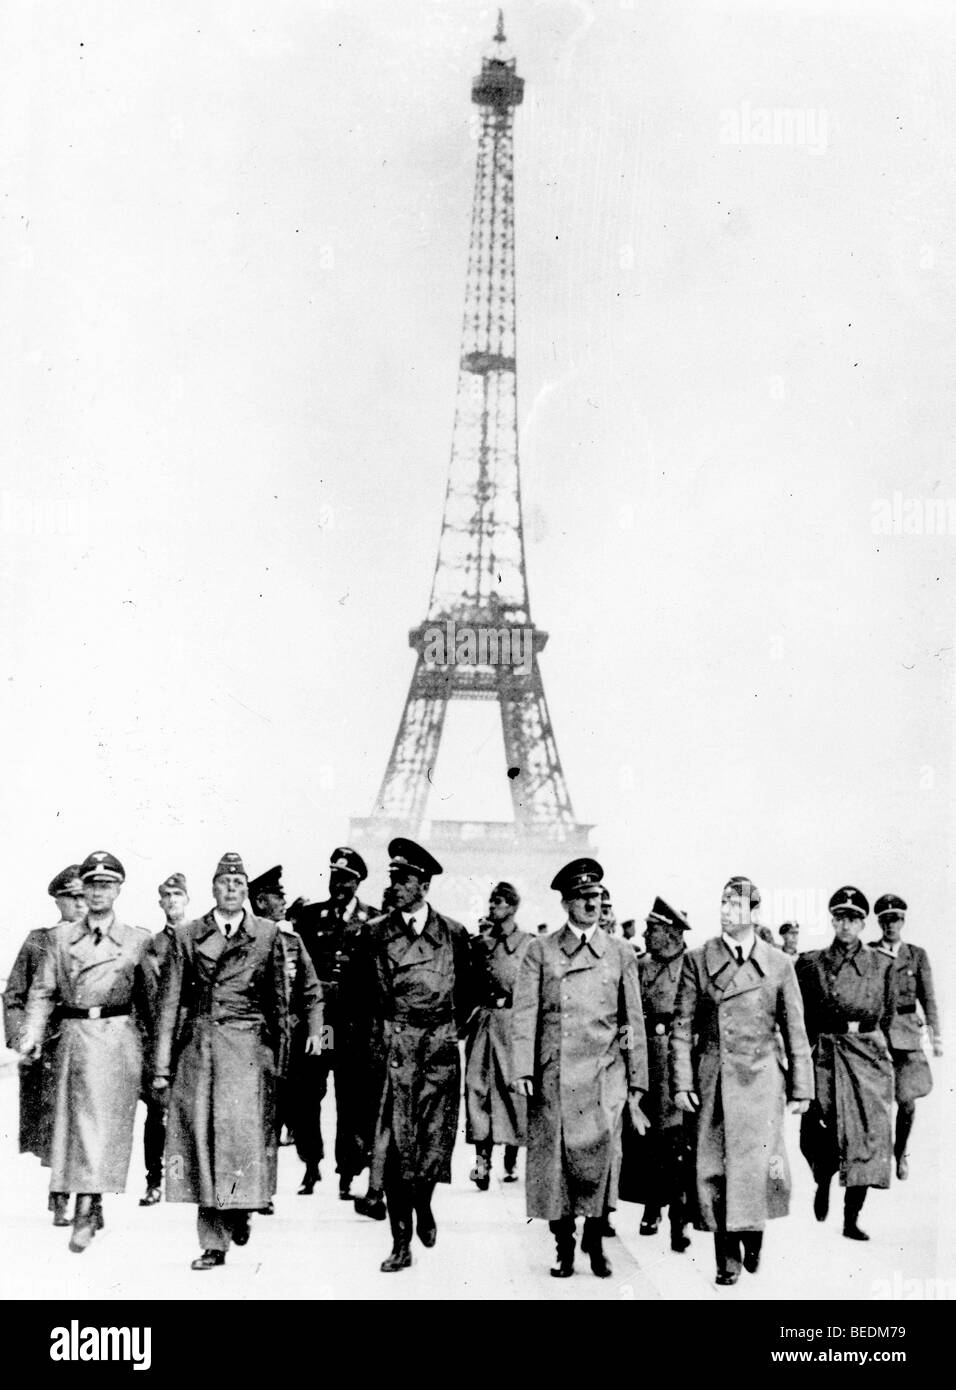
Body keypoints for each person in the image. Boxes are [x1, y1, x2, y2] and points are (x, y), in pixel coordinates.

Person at [151, 851, 323, 1271]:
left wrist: (279, 1058)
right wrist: (161, 1067)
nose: (232, 891)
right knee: (207, 1144)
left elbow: (280, 1002)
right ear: (213, 888)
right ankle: (213, 1241)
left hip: (248, 1053)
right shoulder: (189, 935)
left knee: (241, 1141)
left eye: (240, 885)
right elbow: (171, 1002)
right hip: (203, 1050)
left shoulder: (267, 935)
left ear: (246, 892)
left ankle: (241, 1208)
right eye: (225, 883)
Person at [671, 875, 813, 1286]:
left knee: (757, 1166)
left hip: (762, 1078)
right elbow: (682, 1029)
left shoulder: (779, 963)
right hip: (714, 1076)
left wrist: (802, 1088)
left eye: (736, 906)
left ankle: (752, 1234)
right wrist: (682, 1083)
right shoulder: (698, 961)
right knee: (713, 1166)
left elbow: (795, 1030)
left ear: (754, 913)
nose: (726, 913)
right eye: (723, 904)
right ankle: (725, 1254)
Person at [511, 858, 649, 1280]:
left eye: (597, 897)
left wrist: (637, 1079)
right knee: (556, 1164)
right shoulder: (541, 951)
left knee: (602, 1157)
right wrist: (523, 1069)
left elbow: (632, 1019)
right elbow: (525, 1014)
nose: (593, 903)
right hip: (555, 1073)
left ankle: (594, 1234)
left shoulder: (621, 951)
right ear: (566, 903)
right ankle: (563, 1243)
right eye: (584, 897)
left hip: (604, 1074)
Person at [18, 852, 151, 1253]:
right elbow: (41, 992)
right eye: (92, 885)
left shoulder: (138, 940)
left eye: (106, 885)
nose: (98, 892)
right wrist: (31, 1035)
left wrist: (156, 1056)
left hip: (118, 1040)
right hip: (74, 1038)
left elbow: (153, 1000)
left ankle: (88, 1204)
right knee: (75, 1129)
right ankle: (84, 1206)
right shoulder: (60, 940)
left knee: (106, 1130)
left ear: (118, 890)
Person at [352, 838, 474, 1272]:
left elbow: (472, 993)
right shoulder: (374, 933)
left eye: (403, 880)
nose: (396, 887)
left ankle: (424, 1204)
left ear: (423, 884)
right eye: (393, 879)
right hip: (395, 1048)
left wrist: (451, 1031)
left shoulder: (454, 933)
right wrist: (374, 1044)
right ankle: (400, 1241)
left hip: (437, 1047)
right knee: (395, 1148)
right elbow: (359, 996)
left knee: (433, 1144)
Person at [796, 886, 896, 1241]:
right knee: (814, 1127)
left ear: (863, 923)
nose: (846, 924)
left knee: (867, 1136)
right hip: (825, 1051)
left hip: (866, 1053)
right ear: (832, 920)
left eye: (853, 918)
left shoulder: (883, 964)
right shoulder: (811, 963)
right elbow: (799, 1016)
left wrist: (889, 1061)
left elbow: (891, 1016)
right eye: (840, 917)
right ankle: (822, 1177)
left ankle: (851, 1218)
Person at [3, 864, 87, 1225]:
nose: (81, 905)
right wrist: (23, 1038)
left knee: (90, 1121)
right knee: (57, 1121)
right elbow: (14, 995)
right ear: (58, 901)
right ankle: (60, 1193)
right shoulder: (40, 939)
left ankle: (88, 1196)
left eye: (85, 897)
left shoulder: (102, 940)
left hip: (90, 1041)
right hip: (51, 1045)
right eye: (72, 898)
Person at [293, 847, 379, 1200]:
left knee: (351, 1096)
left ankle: (347, 1170)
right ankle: (311, 1163)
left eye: (346, 879)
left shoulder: (373, 919)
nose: (339, 884)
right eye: (334, 877)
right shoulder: (310, 916)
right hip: (320, 1022)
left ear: (358, 882)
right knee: (308, 1092)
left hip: (353, 1024)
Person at [619, 897, 693, 1253]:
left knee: (677, 1142)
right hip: (642, 1058)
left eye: (654, 929)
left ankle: (679, 1218)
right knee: (644, 1140)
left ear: (672, 933)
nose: (647, 934)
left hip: (677, 1062)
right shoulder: (638, 965)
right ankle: (651, 1207)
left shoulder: (691, 966)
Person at [465, 881, 532, 1190]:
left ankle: (510, 1155)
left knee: (513, 1090)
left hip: (515, 1024)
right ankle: (482, 1159)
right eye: (491, 901)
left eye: (500, 902)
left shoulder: (529, 945)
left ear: (513, 907)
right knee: (478, 1087)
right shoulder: (479, 944)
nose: (493, 907)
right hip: (485, 1021)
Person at [872, 893, 942, 1180]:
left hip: (909, 1032)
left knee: (907, 1099)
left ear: (903, 921)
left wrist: (936, 1036)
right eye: (886, 920)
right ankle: (877, 1156)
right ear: (879, 922)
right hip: (876, 1031)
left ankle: (900, 1152)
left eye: (896, 919)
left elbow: (928, 997)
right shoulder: (869, 952)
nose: (891, 925)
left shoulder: (916, 955)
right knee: (875, 1099)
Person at [139, 871, 190, 1207]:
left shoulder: (198, 940)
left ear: (187, 900)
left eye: (178, 896)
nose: (172, 902)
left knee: (187, 1114)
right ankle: (154, 1181)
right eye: (166, 897)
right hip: (157, 1041)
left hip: (188, 1040)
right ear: (160, 903)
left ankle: (180, 1178)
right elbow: (144, 995)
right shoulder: (151, 946)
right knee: (157, 1115)